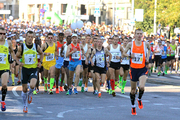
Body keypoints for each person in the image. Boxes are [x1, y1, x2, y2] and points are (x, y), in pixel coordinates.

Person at [123, 28, 150, 115]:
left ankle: (139, 99)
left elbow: (149, 49)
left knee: (141, 87)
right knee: (133, 90)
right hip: (133, 69)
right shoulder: (131, 44)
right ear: (134, 35)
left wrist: (147, 57)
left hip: (142, 68)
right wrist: (130, 55)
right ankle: (133, 106)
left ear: (142, 35)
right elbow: (123, 53)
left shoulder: (145, 44)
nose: (139, 35)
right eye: (137, 34)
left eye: (140, 34)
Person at [16, 31, 43, 113]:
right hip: (25, 69)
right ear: (26, 37)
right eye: (29, 37)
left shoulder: (36, 46)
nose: (30, 38)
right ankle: (25, 106)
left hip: (33, 69)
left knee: (32, 85)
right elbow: (17, 57)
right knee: (24, 89)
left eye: (32, 37)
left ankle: (30, 93)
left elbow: (42, 54)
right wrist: (19, 63)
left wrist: (40, 62)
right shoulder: (22, 47)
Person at [0, 27, 16, 111]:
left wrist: (13, 60)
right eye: (1, 34)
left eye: (4, 34)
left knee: (4, 85)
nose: (2, 36)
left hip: (5, 67)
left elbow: (12, 52)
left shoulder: (8, 42)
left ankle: (2, 101)